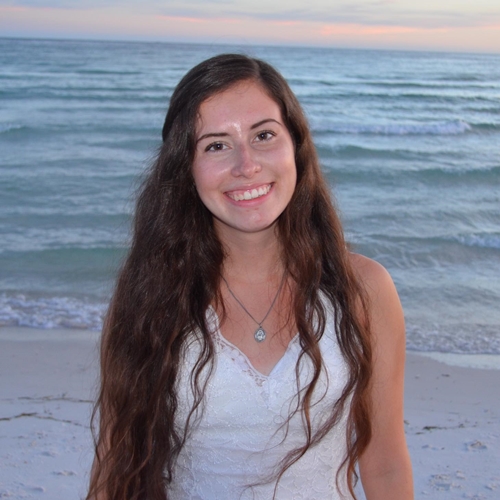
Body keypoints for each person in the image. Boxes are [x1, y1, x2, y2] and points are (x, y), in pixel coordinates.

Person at [87, 53, 413, 500]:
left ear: (295, 145)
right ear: (185, 167)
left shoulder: (364, 289)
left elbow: (386, 464)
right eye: (216, 145)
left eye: (263, 135)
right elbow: (116, 466)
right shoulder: (149, 297)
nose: (246, 165)